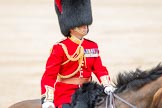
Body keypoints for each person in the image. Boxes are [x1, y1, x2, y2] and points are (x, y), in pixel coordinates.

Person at [41, 0, 113, 108]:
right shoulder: (60, 48)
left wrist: (107, 84)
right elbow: (49, 76)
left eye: (86, 24)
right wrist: (47, 99)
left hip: (88, 91)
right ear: (71, 27)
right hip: (66, 94)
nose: (85, 26)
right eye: (81, 24)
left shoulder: (91, 46)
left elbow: (99, 68)